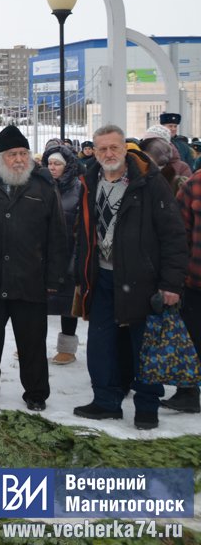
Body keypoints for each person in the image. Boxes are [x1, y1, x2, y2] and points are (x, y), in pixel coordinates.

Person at [73, 124, 188, 430]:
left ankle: (147, 407)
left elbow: (174, 236)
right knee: (101, 344)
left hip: (143, 281)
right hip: (102, 278)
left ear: (125, 149)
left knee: (145, 346)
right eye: (102, 149)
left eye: (114, 147)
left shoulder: (149, 183)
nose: (108, 153)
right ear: (94, 152)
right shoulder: (90, 180)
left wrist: (170, 284)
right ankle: (106, 401)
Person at [0, 126, 66, 411]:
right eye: (13, 154)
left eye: (23, 153)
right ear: (0, 158)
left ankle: (36, 392)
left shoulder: (43, 186)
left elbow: (57, 236)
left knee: (32, 339)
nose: (20, 159)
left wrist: (54, 277)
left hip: (31, 276)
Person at [44, 146, 86, 366]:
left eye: (57, 163)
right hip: (45, 253)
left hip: (70, 251)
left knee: (67, 303)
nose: (52, 167)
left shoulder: (79, 189)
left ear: (67, 166)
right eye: (50, 163)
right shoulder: (42, 186)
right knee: (38, 302)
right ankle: (33, 345)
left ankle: (67, 348)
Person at [169, 169, 201, 413]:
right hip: (196, 280)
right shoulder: (195, 183)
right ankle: (188, 393)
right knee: (191, 338)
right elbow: (179, 231)